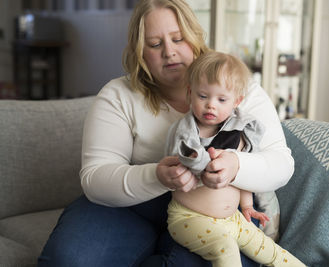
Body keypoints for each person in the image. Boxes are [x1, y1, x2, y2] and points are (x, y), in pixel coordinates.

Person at [38, 0, 295, 266]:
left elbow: (282, 165)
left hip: (214, 214)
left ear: (195, 38)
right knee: (68, 259)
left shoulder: (241, 90)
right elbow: (95, 178)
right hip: (131, 208)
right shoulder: (117, 96)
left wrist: (236, 165)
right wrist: (158, 176)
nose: (169, 52)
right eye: (155, 44)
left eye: (178, 39)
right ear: (140, 51)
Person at [165, 51, 305, 267]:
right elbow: (180, 159)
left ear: (237, 101)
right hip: (189, 218)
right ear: (190, 93)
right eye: (203, 96)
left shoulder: (239, 132)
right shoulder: (185, 130)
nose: (211, 105)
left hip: (233, 220)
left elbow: (241, 178)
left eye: (221, 99)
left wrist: (247, 205)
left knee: (272, 252)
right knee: (226, 248)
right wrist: (195, 159)